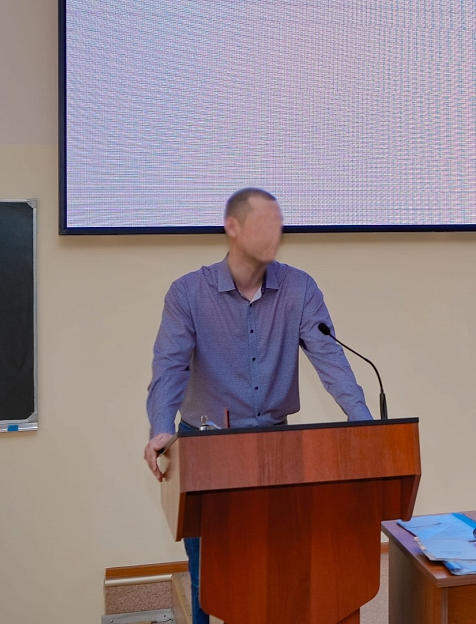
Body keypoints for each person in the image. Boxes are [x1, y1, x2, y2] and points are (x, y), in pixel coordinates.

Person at [143, 188, 373, 624]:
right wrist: (161, 427)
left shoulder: (299, 288)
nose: (274, 234)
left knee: (279, 560)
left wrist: (363, 423)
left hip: (274, 444)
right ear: (232, 228)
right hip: (206, 447)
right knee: (209, 570)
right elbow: (169, 368)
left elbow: (330, 358)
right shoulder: (188, 293)